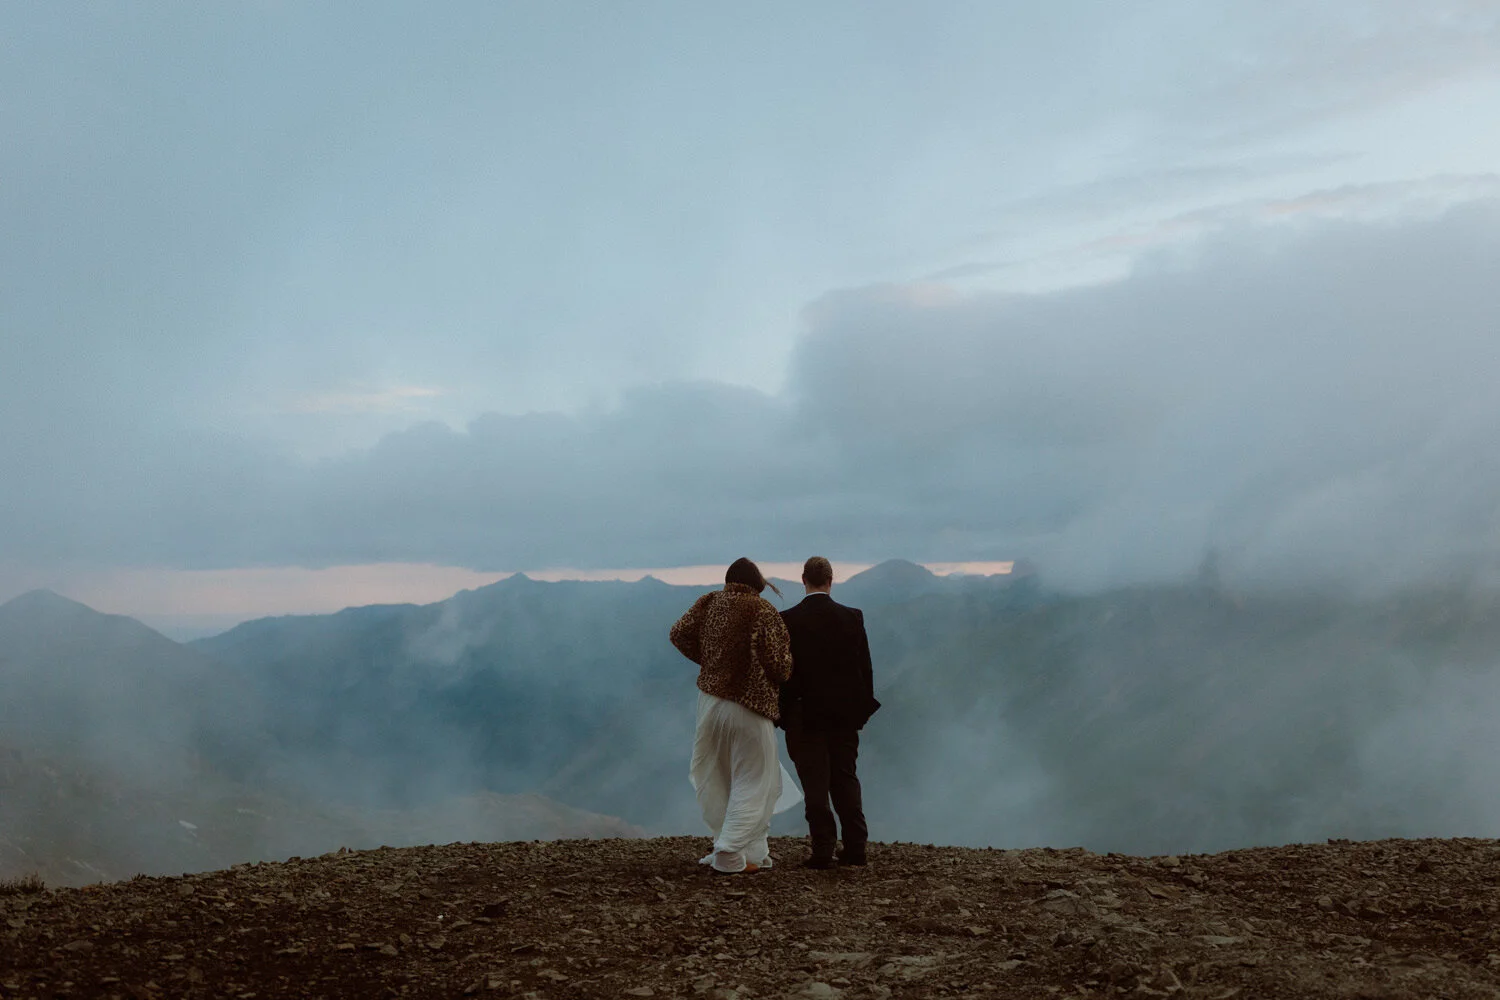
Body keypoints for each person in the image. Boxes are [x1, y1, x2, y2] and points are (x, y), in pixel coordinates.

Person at [670, 557, 795, 874]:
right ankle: (728, 852)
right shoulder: (763, 611)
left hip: (709, 704)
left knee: (718, 776)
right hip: (748, 708)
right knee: (754, 780)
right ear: (756, 585)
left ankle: (748, 852)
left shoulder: (709, 601)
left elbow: (679, 633)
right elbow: (779, 667)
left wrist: (712, 662)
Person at [779, 556, 880, 868]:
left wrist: (782, 715)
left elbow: (784, 673)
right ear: (830, 581)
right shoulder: (852, 617)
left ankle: (823, 850)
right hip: (844, 716)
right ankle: (855, 848)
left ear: (803, 580)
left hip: (804, 715)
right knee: (845, 779)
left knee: (815, 785)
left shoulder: (787, 620)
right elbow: (864, 669)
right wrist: (861, 711)